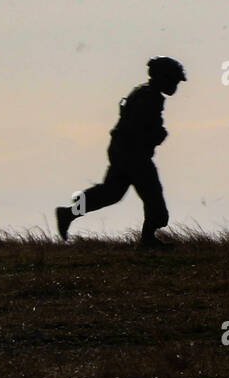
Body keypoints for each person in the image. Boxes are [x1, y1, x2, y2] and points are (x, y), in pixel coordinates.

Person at [55, 57, 187, 248]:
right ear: (161, 77)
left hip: (123, 152)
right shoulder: (149, 97)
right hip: (133, 155)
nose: (175, 85)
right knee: (154, 200)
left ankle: (69, 213)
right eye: (172, 80)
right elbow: (139, 129)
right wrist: (157, 135)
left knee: (112, 193)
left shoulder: (145, 94)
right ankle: (148, 240)